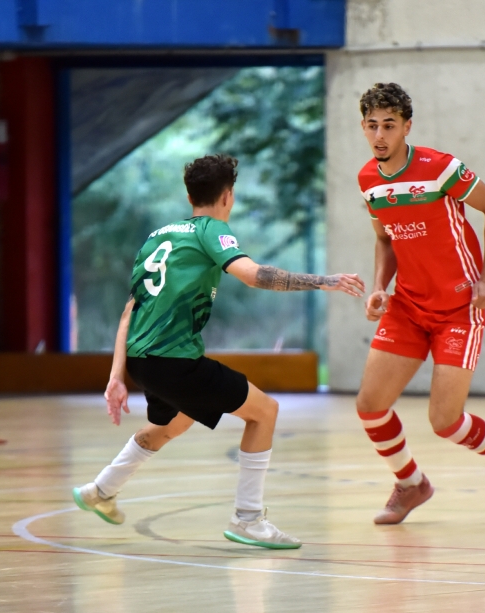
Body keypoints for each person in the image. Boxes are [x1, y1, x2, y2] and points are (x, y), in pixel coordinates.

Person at [73, 154, 365, 548]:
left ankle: (101, 490)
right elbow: (254, 275)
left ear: (189, 195)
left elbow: (129, 310)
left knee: (172, 424)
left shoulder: (157, 237)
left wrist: (116, 377)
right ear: (228, 196)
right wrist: (325, 281)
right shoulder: (212, 230)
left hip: (142, 362)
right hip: (174, 361)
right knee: (264, 412)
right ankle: (248, 519)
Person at [353, 83, 485, 525]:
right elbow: (385, 239)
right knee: (370, 405)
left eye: (389, 125)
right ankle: (412, 484)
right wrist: (379, 286)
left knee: (445, 421)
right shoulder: (368, 180)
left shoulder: (441, 168)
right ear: (363, 127)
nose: (380, 135)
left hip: (458, 308)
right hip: (408, 307)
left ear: (407, 127)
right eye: (372, 125)